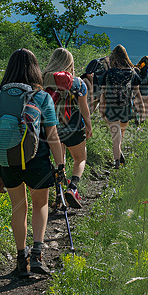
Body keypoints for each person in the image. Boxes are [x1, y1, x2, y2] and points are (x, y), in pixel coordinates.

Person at [0, 48, 66, 277]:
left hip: (8, 161)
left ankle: (20, 259)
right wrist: (61, 166)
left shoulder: (0, 97)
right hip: (37, 161)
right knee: (40, 205)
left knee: (18, 208)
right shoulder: (41, 97)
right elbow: (52, 136)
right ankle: (38, 255)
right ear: (35, 70)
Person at [42, 48, 93, 209]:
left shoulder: (42, 80)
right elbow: (84, 109)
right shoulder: (79, 83)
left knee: (59, 161)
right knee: (80, 158)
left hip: (51, 128)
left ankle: (58, 196)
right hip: (74, 127)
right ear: (70, 63)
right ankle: (72, 188)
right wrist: (89, 126)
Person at [99, 45, 144, 168]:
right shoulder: (133, 73)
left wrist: (101, 108)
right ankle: (119, 155)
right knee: (120, 136)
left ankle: (117, 162)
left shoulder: (108, 73)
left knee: (115, 138)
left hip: (111, 107)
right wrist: (141, 110)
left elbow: (103, 94)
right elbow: (137, 94)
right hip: (126, 108)